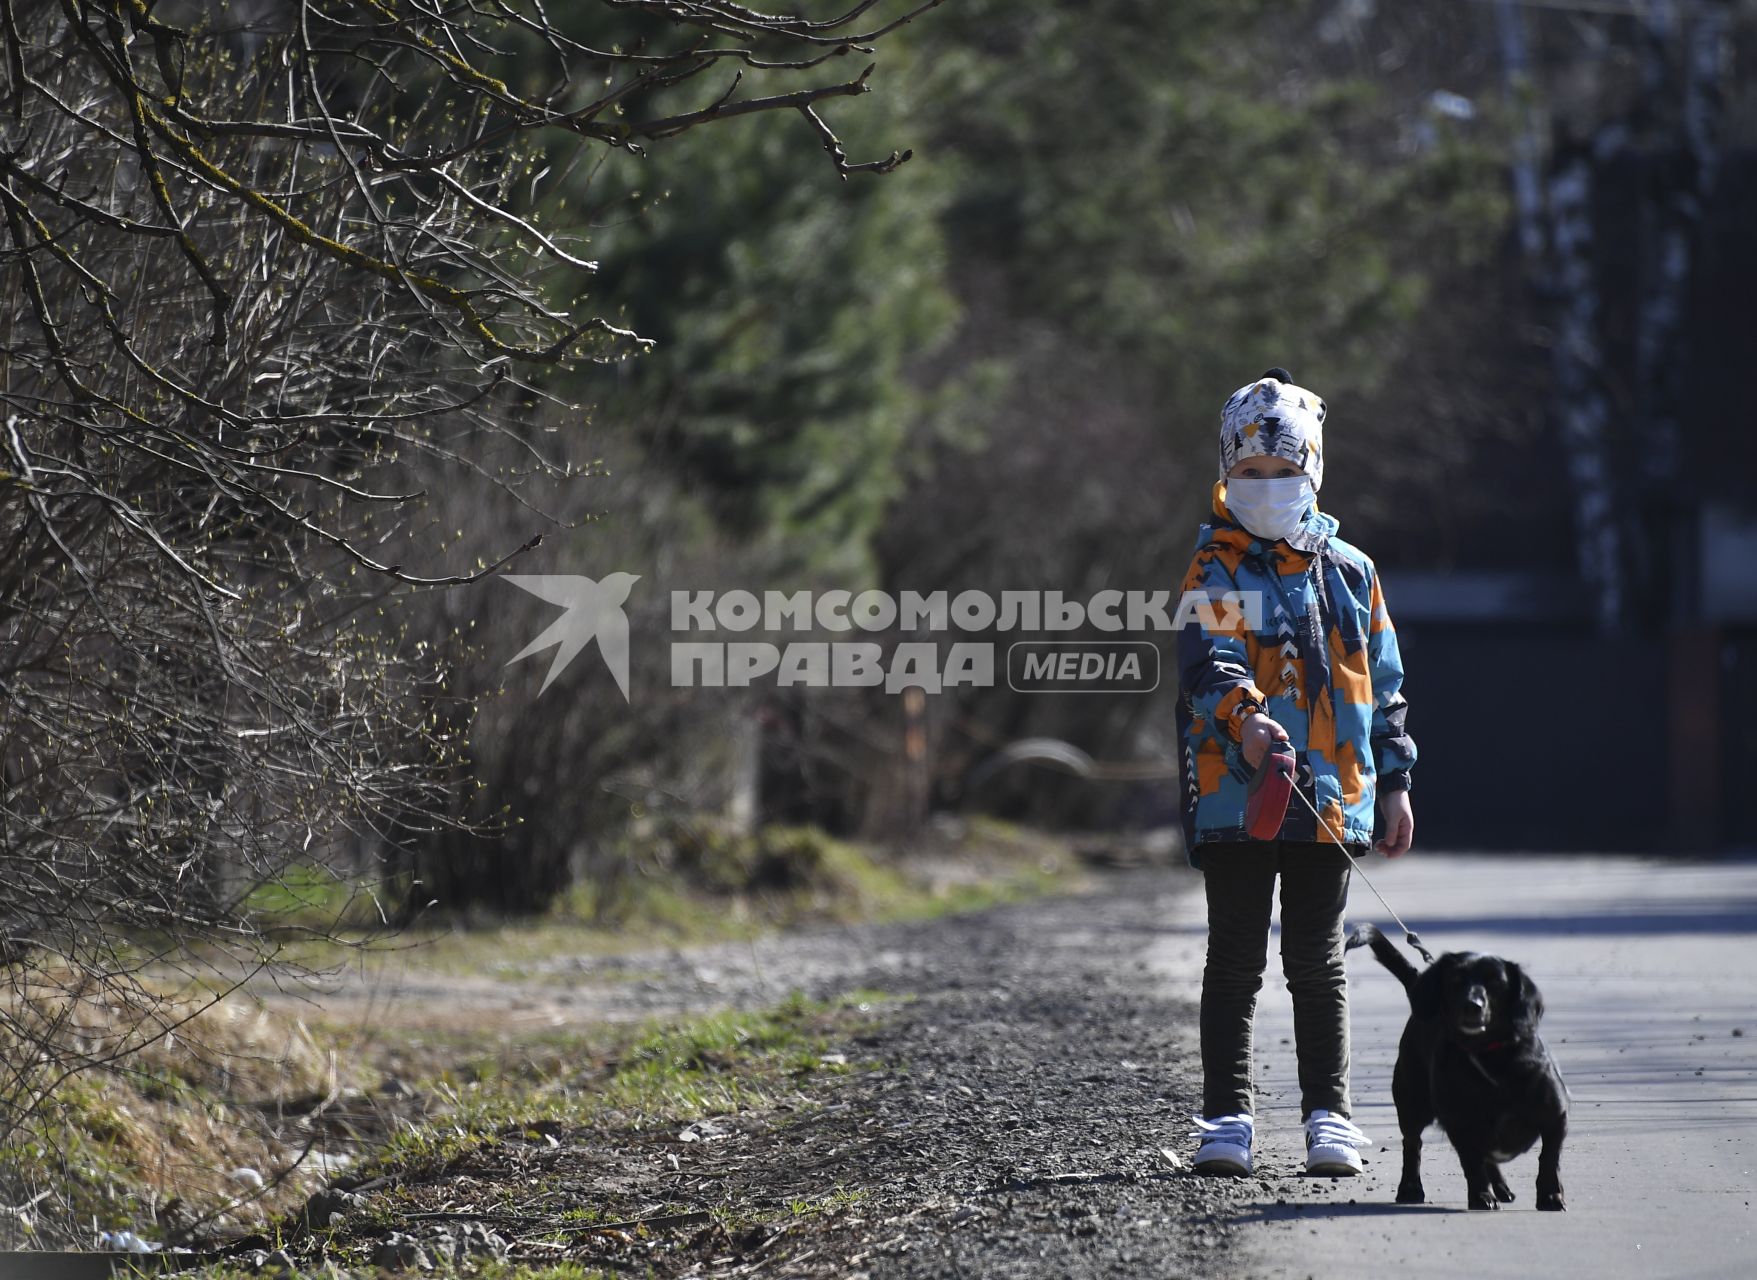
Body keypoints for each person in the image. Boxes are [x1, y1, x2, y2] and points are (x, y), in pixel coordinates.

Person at [1174, 369, 1416, 1177]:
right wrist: (1245, 722)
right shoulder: (1212, 567)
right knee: (1235, 958)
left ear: (1311, 472)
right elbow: (1206, 660)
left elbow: (1383, 684)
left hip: (1332, 794)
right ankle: (1225, 1118)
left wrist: (1393, 782)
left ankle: (1329, 1116)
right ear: (1225, 473)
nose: (1267, 487)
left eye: (1283, 473)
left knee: (1316, 958)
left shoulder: (1351, 571)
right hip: (1233, 790)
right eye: (1250, 473)